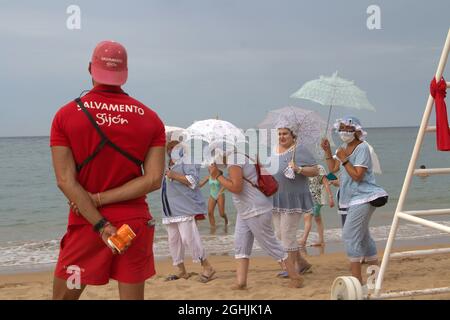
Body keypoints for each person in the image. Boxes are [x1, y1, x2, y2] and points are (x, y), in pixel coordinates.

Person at [50, 40, 166, 300]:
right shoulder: (150, 118)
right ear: (125, 73)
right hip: (133, 225)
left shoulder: (66, 115)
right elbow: (154, 179)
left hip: (88, 223)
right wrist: (102, 199)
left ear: (90, 68)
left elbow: (65, 180)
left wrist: (100, 222)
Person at [208, 150, 303, 289]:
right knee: (241, 244)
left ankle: (295, 277)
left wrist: (217, 176)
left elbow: (237, 187)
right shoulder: (240, 155)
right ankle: (241, 282)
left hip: (255, 209)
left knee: (270, 244)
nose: (213, 158)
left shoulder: (234, 159)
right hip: (245, 210)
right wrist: (219, 175)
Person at [321, 116, 388, 284]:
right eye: (341, 128)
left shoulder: (362, 148)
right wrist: (328, 151)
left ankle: (357, 282)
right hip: (349, 198)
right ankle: (374, 280)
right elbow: (333, 169)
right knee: (364, 237)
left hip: (364, 196)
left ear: (357, 131)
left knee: (349, 235)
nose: (344, 132)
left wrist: (344, 159)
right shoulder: (343, 147)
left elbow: (358, 176)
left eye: (348, 129)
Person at [162, 141, 216, 283]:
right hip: (170, 210)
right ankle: (181, 270)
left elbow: (193, 181)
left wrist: (174, 175)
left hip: (185, 208)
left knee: (189, 238)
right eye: (170, 149)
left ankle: (207, 267)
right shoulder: (169, 165)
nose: (172, 151)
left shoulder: (187, 162)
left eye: (175, 149)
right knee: (173, 240)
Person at [271, 125, 318, 276]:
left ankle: (293, 271)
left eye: (285, 134)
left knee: (287, 234)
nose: (281, 137)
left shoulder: (300, 150)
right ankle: (302, 263)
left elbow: (315, 170)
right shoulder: (274, 149)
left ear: (293, 136)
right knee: (279, 234)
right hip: (276, 198)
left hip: (294, 198)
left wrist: (298, 169)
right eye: (279, 134)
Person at [299, 165, 335, 247]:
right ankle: (321, 240)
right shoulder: (303, 168)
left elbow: (326, 182)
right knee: (317, 218)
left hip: (318, 198)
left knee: (307, 216)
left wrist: (330, 197)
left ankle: (303, 240)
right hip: (308, 197)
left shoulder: (319, 168)